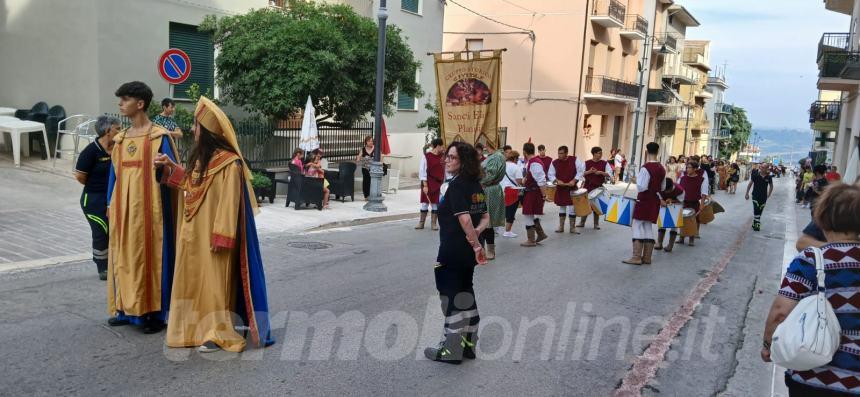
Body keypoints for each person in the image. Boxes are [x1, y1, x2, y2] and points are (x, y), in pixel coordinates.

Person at [156, 96, 274, 353]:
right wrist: (169, 168)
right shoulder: (200, 159)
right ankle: (189, 328)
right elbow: (190, 185)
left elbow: (230, 203)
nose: (192, 130)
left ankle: (217, 332)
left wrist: (222, 235)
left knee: (214, 284)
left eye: (197, 126)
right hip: (190, 233)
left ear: (207, 132)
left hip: (213, 235)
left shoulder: (229, 163)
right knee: (191, 280)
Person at [762, 183, 860, 395]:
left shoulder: (812, 259)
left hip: (812, 376)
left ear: (822, 217)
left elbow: (780, 311)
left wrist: (768, 345)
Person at [106, 81, 179, 334]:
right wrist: (109, 202)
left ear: (140, 104)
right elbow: (113, 176)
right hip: (123, 208)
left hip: (152, 210)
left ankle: (154, 314)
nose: (120, 104)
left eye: (125, 99)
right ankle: (126, 308)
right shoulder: (121, 139)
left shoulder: (159, 137)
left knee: (149, 257)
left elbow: (172, 173)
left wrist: (163, 167)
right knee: (125, 256)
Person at [424, 142, 489, 365]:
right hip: (467, 254)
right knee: (465, 292)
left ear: (464, 162)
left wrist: (475, 244)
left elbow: (464, 219)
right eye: (447, 157)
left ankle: (452, 350)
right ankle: (469, 343)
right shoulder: (475, 186)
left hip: (452, 251)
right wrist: (476, 239)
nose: (446, 160)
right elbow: (485, 218)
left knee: (451, 297)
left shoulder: (458, 186)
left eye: (452, 157)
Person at [74, 116, 120, 280]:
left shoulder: (118, 148)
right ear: (108, 131)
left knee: (114, 231)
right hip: (92, 200)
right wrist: (98, 185)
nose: (120, 132)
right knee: (102, 231)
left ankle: (115, 263)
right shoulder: (91, 151)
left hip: (112, 198)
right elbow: (80, 176)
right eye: (117, 129)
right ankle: (102, 267)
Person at [623, 142, 665, 265]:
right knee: (647, 226)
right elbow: (662, 186)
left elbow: (642, 187)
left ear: (646, 152)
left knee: (636, 224)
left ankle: (636, 257)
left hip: (645, 199)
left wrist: (636, 180)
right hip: (655, 200)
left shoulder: (645, 167)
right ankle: (647, 258)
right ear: (658, 152)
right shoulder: (662, 168)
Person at [548, 145, 584, 234]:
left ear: (566, 153)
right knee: (562, 206)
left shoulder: (575, 160)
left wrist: (574, 180)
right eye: (558, 153)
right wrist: (556, 180)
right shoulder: (554, 162)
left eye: (561, 153)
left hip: (572, 188)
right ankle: (561, 227)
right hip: (561, 188)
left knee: (572, 207)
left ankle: (572, 228)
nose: (559, 155)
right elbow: (550, 174)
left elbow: (581, 171)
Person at [520, 142, 549, 247]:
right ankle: (541, 234)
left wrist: (544, 195)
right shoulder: (532, 162)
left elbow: (541, 180)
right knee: (530, 214)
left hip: (534, 192)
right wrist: (525, 179)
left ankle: (531, 240)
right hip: (532, 191)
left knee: (528, 214)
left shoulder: (534, 162)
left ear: (524, 152)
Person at [479, 144, 505, 260]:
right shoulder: (492, 156)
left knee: (487, 222)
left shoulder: (496, 156)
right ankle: (481, 249)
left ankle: (490, 250)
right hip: (484, 189)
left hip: (489, 190)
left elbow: (490, 175)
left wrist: (478, 182)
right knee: (480, 220)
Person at [578, 146, 613, 230]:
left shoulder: (605, 163)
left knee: (596, 206)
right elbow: (580, 174)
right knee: (585, 205)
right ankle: (582, 222)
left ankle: (596, 224)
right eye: (599, 153)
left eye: (601, 153)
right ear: (594, 154)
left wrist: (601, 172)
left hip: (598, 187)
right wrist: (589, 171)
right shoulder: (586, 163)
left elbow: (610, 174)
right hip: (588, 187)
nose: (601, 155)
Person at [677, 161, 709, 246]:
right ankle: (681, 237)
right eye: (687, 167)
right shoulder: (682, 178)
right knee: (682, 219)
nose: (687, 169)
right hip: (684, 202)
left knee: (693, 220)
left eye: (689, 168)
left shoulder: (701, 179)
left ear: (695, 169)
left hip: (694, 202)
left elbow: (704, 193)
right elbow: (678, 189)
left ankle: (691, 238)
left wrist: (702, 204)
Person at [417, 139, 446, 230]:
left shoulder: (443, 157)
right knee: (424, 203)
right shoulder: (426, 156)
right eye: (442, 146)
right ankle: (421, 223)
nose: (443, 148)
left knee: (435, 204)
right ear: (438, 146)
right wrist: (425, 185)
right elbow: (422, 171)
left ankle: (433, 223)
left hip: (438, 184)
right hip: (428, 182)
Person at [655, 177, 684, 253]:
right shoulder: (659, 188)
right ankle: (659, 243)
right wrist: (661, 200)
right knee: (661, 224)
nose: (666, 192)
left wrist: (672, 201)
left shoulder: (680, 190)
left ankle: (670, 245)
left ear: (672, 187)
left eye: (668, 191)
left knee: (674, 226)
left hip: (676, 207)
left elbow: (681, 201)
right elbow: (657, 197)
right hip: (663, 206)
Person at [500, 150, 523, 238]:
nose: (517, 161)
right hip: (512, 191)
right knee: (511, 211)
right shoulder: (516, 167)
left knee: (501, 210)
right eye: (517, 159)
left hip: (501, 190)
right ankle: (507, 231)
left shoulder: (502, 166)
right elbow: (519, 181)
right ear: (514, 158)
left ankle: (495, 229)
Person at [745, 162, 774, 231]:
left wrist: (769, 194)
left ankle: (755, 222)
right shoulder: (755, 175)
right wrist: (747, 193)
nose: (762, 169)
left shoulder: (769, 177)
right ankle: (757, 223)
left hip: (764, 196)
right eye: (761, 167)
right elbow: (750, 184)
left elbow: (771, 186)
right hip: (755, 195)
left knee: (760, 209)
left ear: (767, 168)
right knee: (756, 208)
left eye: (764, 168)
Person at [356, 136, 374, 200]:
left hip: (373, 168)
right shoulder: (363, 149)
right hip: (365, 168)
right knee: (366, 182)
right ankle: (366, 196)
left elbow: (380, 157)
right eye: (369, 141)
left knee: (372, 182)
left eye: (371, 141)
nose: (370, 142)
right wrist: (358, 158)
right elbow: (358, 157)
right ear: (366, 142)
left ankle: (371, 195)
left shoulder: (375, 149)